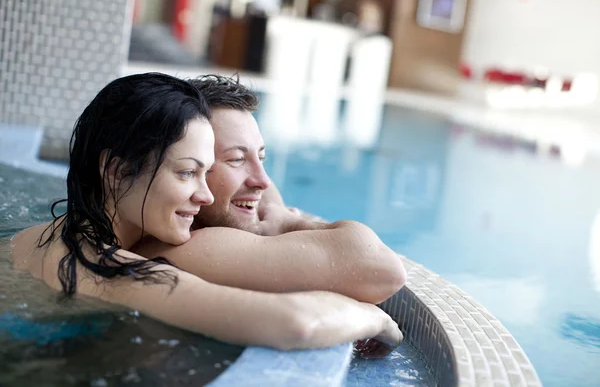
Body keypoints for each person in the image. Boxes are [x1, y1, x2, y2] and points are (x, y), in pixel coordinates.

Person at [10, 72, 402, 351]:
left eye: (205, 172)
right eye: (186, 173)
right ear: (115, 170)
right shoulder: (107, 270)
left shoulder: (54, 235)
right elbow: (296, 323)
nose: (205, 196)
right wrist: (375, 318)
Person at [134, 74, 406, 304]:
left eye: (261, 158)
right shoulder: (189, 246)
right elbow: (383, 269)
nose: (262, 180)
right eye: (236, 159)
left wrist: (270, 208)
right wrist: (285, 223)